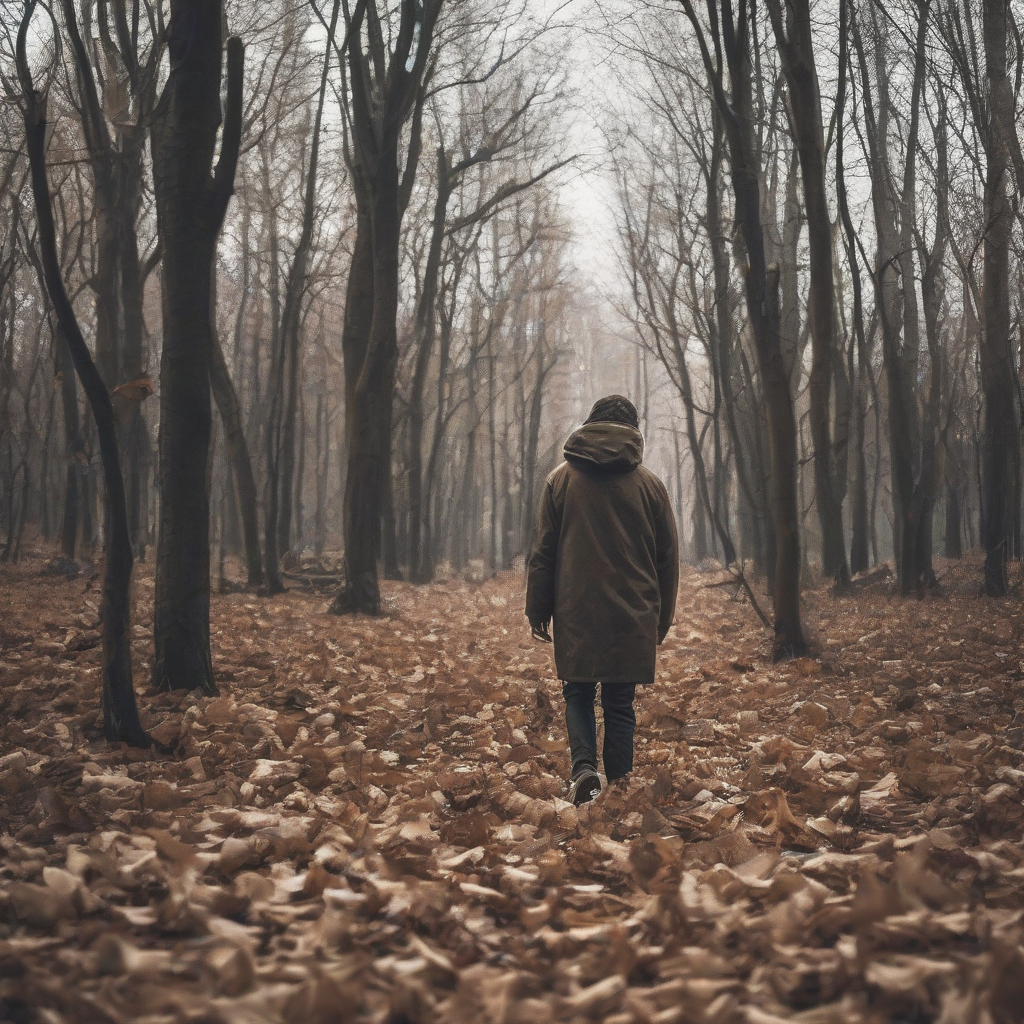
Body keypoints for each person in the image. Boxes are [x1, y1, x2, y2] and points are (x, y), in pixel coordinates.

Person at [525, 395, 679, 806]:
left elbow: (544, 550)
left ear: (590, 425)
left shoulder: (560, 480)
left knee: (576, 692)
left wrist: (537, 608)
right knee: (619, 701)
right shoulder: (650, 487)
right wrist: (662, 617)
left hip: (576, 607)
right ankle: (621, 786)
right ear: (633, 433)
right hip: (633, 610)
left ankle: (583, 771)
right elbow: (667, 558)